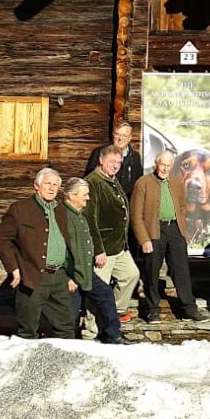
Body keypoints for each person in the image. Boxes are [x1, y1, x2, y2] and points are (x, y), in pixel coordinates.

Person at [0, 168, 74, 339]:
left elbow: (70, 243)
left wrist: (72, 274)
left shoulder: (62, 211)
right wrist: (13, 268)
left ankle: (60, 366)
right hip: (31, 276)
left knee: (66, 327)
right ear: (36, 185)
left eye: (55, 185)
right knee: (27, 331)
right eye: (47, 184)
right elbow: (1, 239)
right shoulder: (21, 209)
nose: (52, 188)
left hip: (59, 277)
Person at [130, 151, 204, 324]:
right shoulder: (143, 183)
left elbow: (183, 207)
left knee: (181, 270)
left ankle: (189, 308)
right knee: (152, 270)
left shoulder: (177, 182)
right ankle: (153, 309)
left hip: (174, 230)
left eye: (168, 166)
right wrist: (144, 239)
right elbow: (136, 215)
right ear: (156, 164)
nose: (165, 168)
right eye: (162, 164)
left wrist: (182, 230)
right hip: (154, 230)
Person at [60, 177, 129, 345]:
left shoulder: (79, 215)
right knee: (70, 313)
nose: (88, 198)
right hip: (71, 273)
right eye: (84, 195)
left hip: (85, 271)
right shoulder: (62, 216)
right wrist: (67, 276)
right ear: (71, 195)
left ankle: (113, 335)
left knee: (105, 294)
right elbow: (60, 249)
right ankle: (67, 344)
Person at [83, 145, 140, 338]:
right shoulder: (93, 182)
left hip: (119, 247)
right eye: (112, 162)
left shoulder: (113, 181)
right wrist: (98, 250)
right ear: (101, 161)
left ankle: (111, 315)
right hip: (104, 250)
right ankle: (90, 332)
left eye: (118, 162)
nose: (116, 166)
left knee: (131, 275)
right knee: (99, 290)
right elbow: (90, 220)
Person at [84, 121, 143, 198]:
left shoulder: (135, 157)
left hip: (125, 204)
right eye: (117, 134)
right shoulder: (99, 152)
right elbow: (89, 179)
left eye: (124, 136)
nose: (120, 139)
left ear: (130, 138)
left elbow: (137, 182)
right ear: (113, 135)